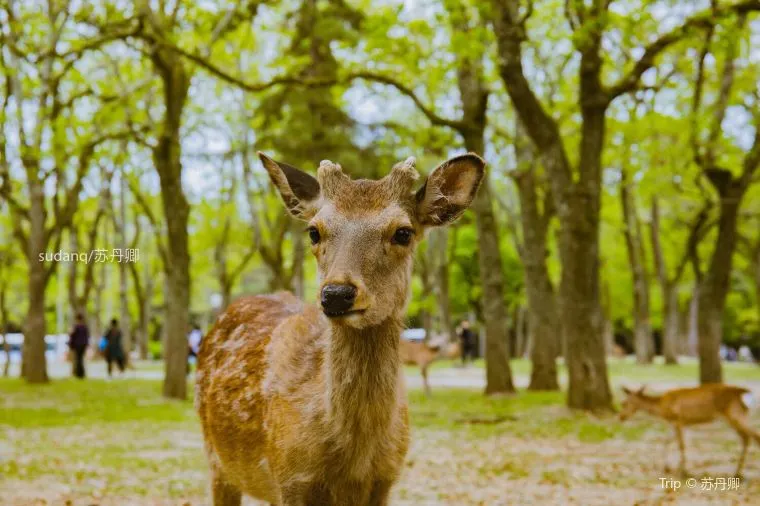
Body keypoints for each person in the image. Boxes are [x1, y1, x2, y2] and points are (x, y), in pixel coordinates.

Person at [68, 313, 90, 379]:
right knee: (80, 359)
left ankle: (79, 374)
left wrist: (70, 345)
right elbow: (87, 337)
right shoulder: (84, 327)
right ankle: (81, 373)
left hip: (77, 345)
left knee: (78, 359)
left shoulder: (76, 327)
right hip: (83, 345)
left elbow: (72, 336)